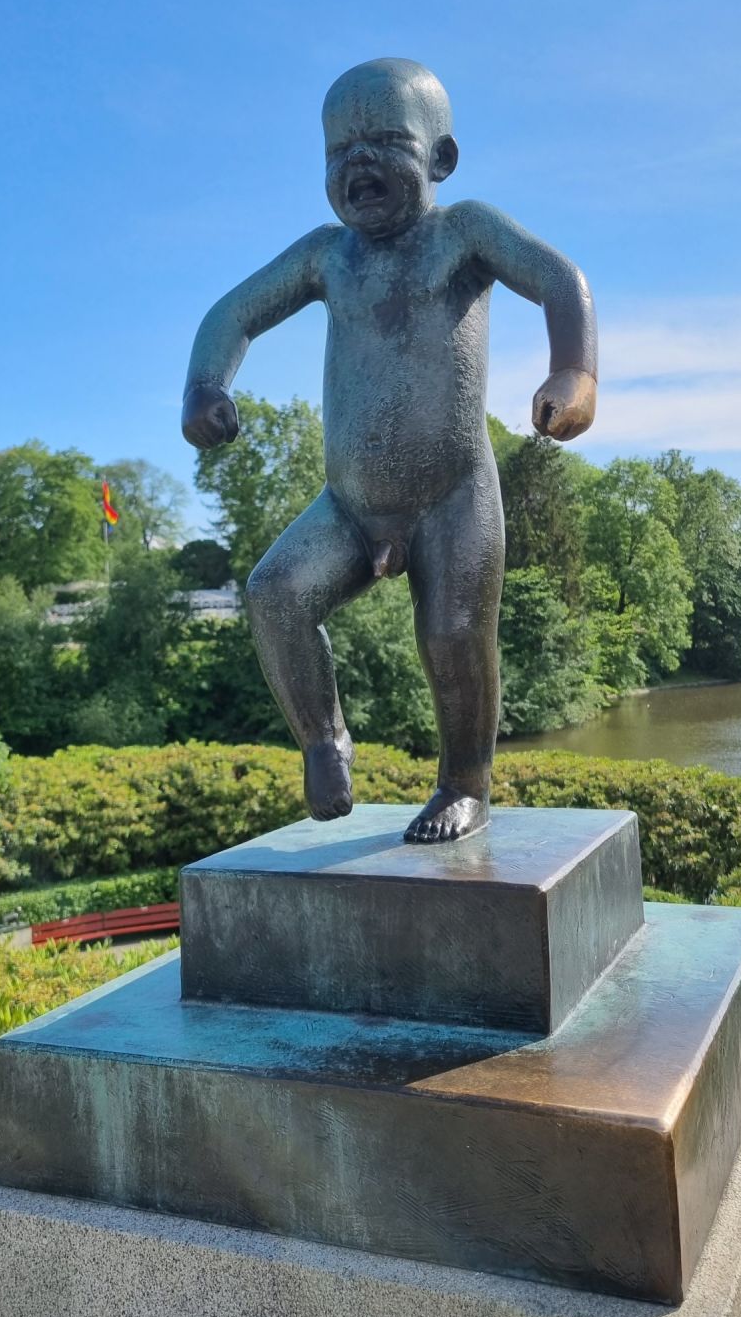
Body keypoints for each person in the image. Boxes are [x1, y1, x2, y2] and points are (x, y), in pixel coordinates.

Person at [183, 59, 597, 843]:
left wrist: (574, 371)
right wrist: (205, 385)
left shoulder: (464, 232)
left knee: (453, 635)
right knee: (275, 594)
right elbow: (231, 315)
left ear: (441, 157)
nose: (359, 161)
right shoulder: (326, 256)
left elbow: (558, 278)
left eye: (385, 141)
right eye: (339, 150)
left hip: (452, 494)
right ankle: (323, 739)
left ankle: (465, 783)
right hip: (351, 504)